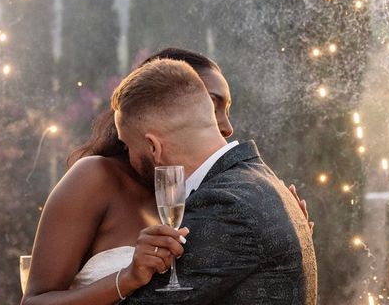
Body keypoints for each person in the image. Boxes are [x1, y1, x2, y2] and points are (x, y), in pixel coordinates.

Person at [21, 48, 311, 305]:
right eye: (211, 105)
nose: (224, 127)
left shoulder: (214, 199)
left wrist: (284, 235)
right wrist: (126, 278)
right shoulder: (96, 177)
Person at [112, 59, 317, 304]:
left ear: (153, 146)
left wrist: (128, 277)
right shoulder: (258, 179)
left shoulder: (224, 205)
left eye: (127, 146)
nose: (128, 157)